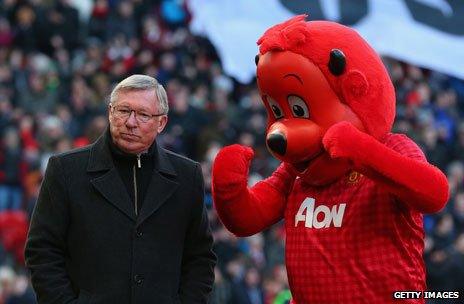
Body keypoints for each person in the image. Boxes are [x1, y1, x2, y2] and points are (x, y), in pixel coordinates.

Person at [25, 74, 216, 304]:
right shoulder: (66, 170)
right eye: (123, 111)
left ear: (162, 123)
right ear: (110, 112)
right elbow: (42, 251)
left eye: (143, 114)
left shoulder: (188, 176)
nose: (130, 122)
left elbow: (200, 258)